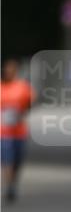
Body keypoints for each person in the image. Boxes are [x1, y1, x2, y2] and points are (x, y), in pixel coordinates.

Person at [1, 58, 34, 203]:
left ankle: (13, 182)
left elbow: (30, 103)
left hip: (19, 130)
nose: (9, 71)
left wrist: (21, 112)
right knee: (7, 159)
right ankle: (9, 187)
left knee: (17, 161)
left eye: (12, 69)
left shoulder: (23, 87)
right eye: (7, 69)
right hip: (3, 131)